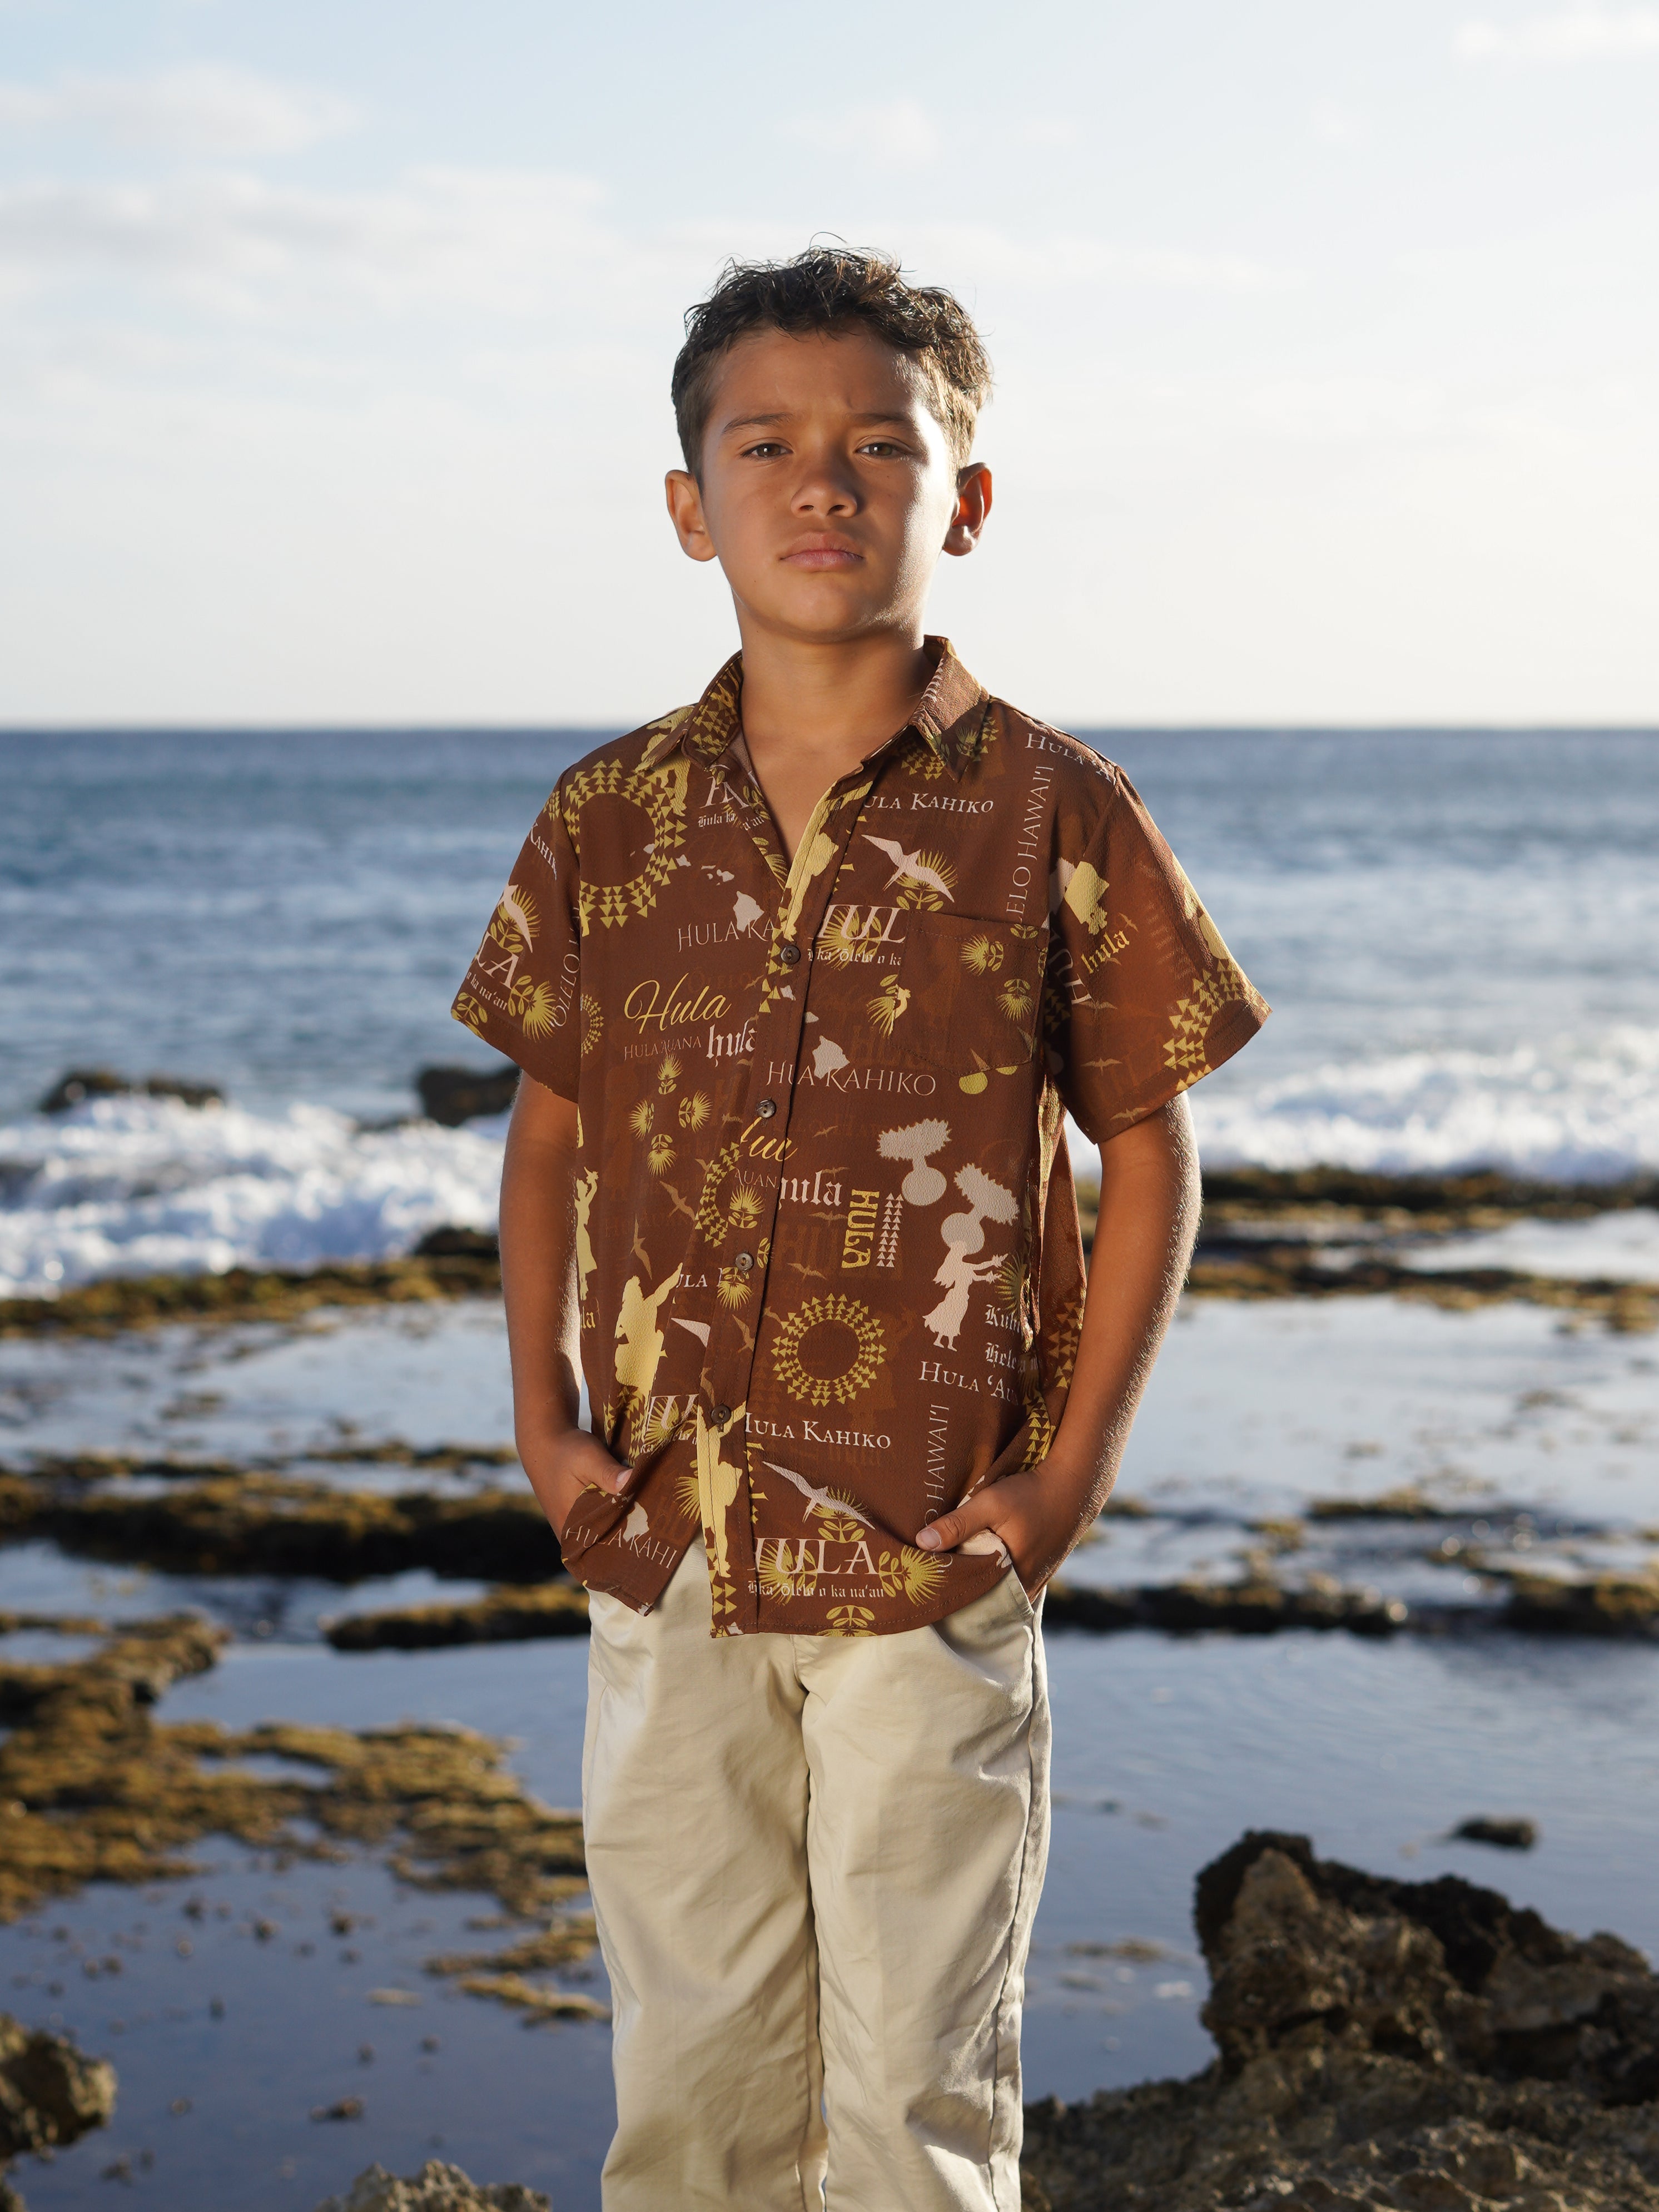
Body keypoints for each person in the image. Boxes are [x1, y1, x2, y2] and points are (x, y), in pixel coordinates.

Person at [451, 245, 1267, 2211]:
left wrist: (1069, 1479)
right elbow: (549, 1132)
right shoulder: (606, 818)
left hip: (933, 1549)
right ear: (690, 506)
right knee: (694, 2092)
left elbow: (1150, 1146)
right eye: (768, 445)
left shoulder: (1056, 808)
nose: (823, 483)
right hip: (667, 1540)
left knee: (917, 2100)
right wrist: (544, 1425)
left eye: (878, 447)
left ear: (961, 497)